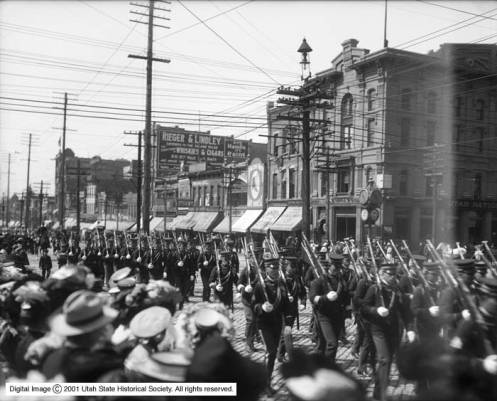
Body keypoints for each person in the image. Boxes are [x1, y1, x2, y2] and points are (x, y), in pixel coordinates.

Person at [42, 290, 124, 382]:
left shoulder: (51, 357)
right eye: (102, 325)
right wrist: (110, 344)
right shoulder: (100, 365)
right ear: (96, 330)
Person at [361, 263, 415, 401]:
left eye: (394, 275)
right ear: (381, 274)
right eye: (389, 274)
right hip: (377, 329)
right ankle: (383, 396)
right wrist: (376, 310)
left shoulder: (397, 290)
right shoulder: (374, 288)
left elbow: (405, 311)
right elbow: (364, 307)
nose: (392, 277)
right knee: (384, 359)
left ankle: (378, 392)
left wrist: (410, 330)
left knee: (388, 361)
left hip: (393, 330)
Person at [252, 257, 290, 395]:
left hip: (277, 323)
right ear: (266, 269)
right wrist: (261, 307)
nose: (274, 271)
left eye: (276, 268)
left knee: (271, 354)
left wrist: (289, 323)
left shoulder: (282, 285)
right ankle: (266, 384)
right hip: (263, 324)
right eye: (271, 268)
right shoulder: (260, 286)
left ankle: (263, 379)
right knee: (271, 351)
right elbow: (253, 305)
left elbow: (287, 306)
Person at [308, 253, 349, 364]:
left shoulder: (342, 281)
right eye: (334, 267)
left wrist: (348, 312)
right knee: (332, 344)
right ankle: (328, 367)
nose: (337, 269)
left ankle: (321, 364)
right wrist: (325, 298)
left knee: (324, 344)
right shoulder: (319, 281)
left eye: (339, 267)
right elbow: (312, 297)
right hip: (324, 316)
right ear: (329, 266)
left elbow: (346, 296)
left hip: (337, 315)